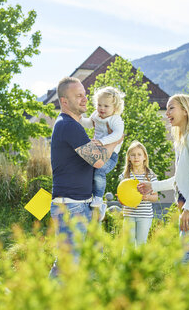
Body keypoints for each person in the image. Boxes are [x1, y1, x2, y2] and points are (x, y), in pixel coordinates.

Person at [50, 77, 121, 277]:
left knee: (87, 264)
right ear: (64, 101)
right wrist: (116, 142)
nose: (84, 99)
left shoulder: (73, 126)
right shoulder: (69, 126)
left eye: (84, 94)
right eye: (78, 95)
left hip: (81, 204)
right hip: (71, 207)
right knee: (67, 265)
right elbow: (98, 161)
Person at [137, 94, 189, 267]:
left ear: (185, 110)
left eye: (171, 108)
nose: (167, 112)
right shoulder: (182, 140)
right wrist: (152, 186)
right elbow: (181, 179)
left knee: (184, 266)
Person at [80, 86, 124, 221]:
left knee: (99, 171)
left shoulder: (115, 119)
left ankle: (98, 199)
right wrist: (79, 118)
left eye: (106, 106)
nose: (102, 109)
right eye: (99, 105)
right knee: (90, 172)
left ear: (115, 108)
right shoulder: (96, 115)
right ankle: (97, 206)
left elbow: (118, 134)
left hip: (111, 155)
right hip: (98, 151)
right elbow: (89, 124)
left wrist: (103, 141)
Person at [119, 141, 158, 246]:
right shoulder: (125, 176)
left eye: (139, 154)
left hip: (144, 215)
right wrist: (122, 200)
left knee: (141, 244)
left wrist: (147, 197)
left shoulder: (150, 176)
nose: (136, 157)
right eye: (133, 155)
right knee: (128, 245)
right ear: (129, 158)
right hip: (129, 214)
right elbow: (122, 197)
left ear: (145, 157)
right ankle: (127, 263)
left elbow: (155, 197)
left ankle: (140, 263)